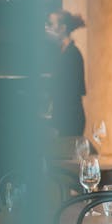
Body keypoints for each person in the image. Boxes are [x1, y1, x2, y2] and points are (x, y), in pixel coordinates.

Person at [46, 10, 86, 138]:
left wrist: (57, 123)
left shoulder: (72, 55)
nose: (47, 28)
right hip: (64, 118)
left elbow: (70, 94)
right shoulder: (62, 53)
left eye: (51, 24)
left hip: (70, 120)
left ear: (62, 28)